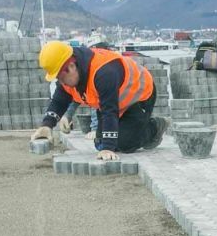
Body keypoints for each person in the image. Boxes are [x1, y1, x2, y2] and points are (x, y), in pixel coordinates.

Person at [31, 41, 167, 160]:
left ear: (71, 66)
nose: (60, 82)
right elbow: (59, 101)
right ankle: (128, 132)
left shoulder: (103, 72)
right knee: (100, 143)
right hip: (115, 101)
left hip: (138, 97)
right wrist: (46, 125)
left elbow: (110, 111)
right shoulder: (70, 74)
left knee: (124, 144)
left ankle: (154, 127)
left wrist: (108, 148)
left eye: (60, 77)